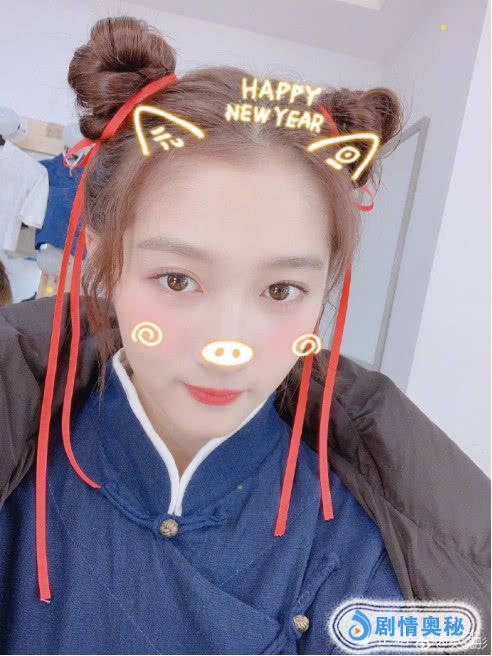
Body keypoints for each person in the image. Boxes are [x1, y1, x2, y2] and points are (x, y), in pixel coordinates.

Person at [0, 15, 489, 655]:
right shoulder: (17, 481)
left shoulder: (366, 557)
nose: (226, 346)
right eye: (178, 280)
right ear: (102, 262)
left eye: (281, 291)